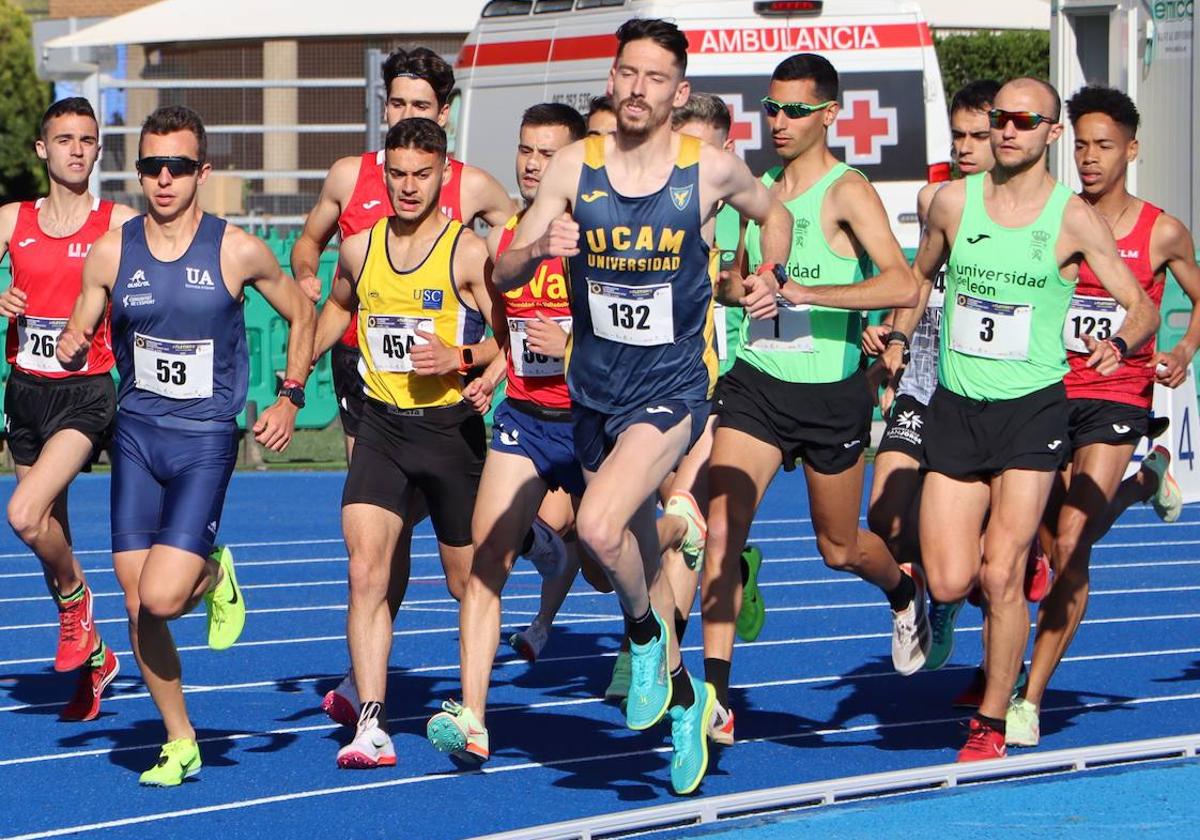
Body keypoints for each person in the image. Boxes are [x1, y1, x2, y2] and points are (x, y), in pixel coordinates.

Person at [492, 18, 791, 795]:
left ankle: (644, 633)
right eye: (627, 72)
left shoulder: (711, 171)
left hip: (669, 393)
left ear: (677, 91)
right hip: (591, 393)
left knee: (593, 526)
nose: (636, 89)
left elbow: (776, 214)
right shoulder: (572, 166)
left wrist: (774, 273)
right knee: (606, 558)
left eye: (655, 78)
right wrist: (537, 247)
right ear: (613, 76)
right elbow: (504, 269)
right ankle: (688, 697)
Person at [898, 78, 1158, 761]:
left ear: (1050, 135)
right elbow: (917, 278)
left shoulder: (1073, 217)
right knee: (953, 578)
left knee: (1005, 571)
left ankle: (992, 720)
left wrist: (1122, 342)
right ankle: (944, 609)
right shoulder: (953, 203)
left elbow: (1142, 306)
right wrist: (895, 337)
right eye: (998, 120)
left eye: (1023, 120)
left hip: (1033, 412)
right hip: (956, 407)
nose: (1007, 130)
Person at [57, 105, 316, 785]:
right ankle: (180, 739)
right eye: (151, 166)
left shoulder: (236, 248)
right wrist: (71, 339)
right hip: (137, 436)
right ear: (138, 171)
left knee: (166, 597)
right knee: (137, 601)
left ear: (203, 172)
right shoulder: (115, 249)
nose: (163, 179)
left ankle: (210, 569)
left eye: (177, 166)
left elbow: (303, 313)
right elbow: (84, 315)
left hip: (204, 439)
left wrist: (290, 393)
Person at [699, 53, 926, 748]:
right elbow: (729, 287)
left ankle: (902, 591)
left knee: (837, 548)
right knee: (720, 533)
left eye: (795, 109)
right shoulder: (754, 189)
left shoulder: (845, 191)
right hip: (757, 383)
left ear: (829, 114)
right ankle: (714, 701)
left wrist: (807, 294)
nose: (779, 121)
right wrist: (744, 290)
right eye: (770, 108)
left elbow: (903, 286)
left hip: (829, 396)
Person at [293, 47, 517, 727]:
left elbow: (517, 273)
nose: (408, 116)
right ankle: (369, 703)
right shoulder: (349, 181)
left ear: (443, 118)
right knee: (370, 550)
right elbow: (318, 259)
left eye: (422, 107)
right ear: (382, 107)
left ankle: (518, 536)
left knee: (458, 572)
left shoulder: (472, 194)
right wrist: (304, 309)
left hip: (446, 408)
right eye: (398, 105)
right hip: (372, 388)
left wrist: (478, 360)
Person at [1006, 85, 1200, 748]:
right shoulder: (1057, 216)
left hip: (1118, 393)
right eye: (1081, 144)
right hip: (1047, 387)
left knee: (1069, 547)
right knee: (1035, 532)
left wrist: (1181, 349)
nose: (1089, 158)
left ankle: (1029, 697)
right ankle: (1146, 483)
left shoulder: (1163, 230)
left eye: (1104, 146)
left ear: (1132, 150)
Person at [425, 102, 588, 764]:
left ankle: (673, 536)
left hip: (594, 423)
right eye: (526, 150)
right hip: (523, 419)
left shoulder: (601, 238)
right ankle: (474, 717)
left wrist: (573, 342)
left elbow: (641, 337)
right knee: (487, 562)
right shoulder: (506, 243)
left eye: (548, 154)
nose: (532, 164)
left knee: (611, 566)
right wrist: (490, 373)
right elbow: (505, 334)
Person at [0, 98, 137, 721]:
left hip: (87, 394)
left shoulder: (119, 223)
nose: (76, 149)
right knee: (50, 533)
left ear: (98, 149)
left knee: (25, 515)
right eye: (64, 139)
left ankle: (77, 605)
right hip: (26, 390)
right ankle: (96, 661)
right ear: (42, 149)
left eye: (87, 139)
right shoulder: (12, 220)